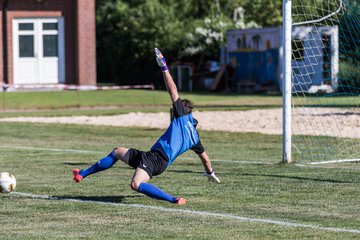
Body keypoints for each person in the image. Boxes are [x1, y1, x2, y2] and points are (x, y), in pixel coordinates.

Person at [73, 48, 220, 205]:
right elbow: (205, 159)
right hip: (151, 157)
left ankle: (174, 199)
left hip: (156, 160)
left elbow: (173, 90)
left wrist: (164, 67)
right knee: (117, 151)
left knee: (136, 184)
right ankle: (82, 174)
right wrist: (210, 173)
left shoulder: (182, 114)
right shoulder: (195, 138)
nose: (172, 112)